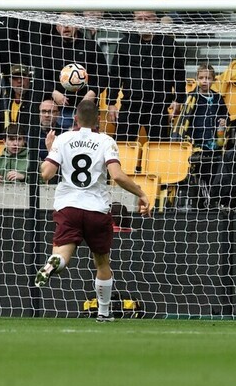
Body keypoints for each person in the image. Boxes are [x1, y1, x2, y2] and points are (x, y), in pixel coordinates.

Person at [35, 100, 151, 323]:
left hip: (68, 207)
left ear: (75, 119)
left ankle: (53, 263)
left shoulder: (63, 139)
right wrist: (141, 193)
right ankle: (104, 313)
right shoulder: (106, 141)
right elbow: (117, 176)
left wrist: (51, 151)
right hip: (96, 209)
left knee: (62, 254)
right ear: (98, 119)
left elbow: (46, 174)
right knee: (102, 262)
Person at [107, 10, 185, 142]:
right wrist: (111, 102)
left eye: (147, 18)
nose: (143, 23)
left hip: (158, 106)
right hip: (130, 105)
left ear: (155, 19)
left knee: (159, 148)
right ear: (134, 20)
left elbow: (178, 74)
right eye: (139, 19)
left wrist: (179, 99)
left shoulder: (169, 44)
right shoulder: (125, 44)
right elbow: (115, 75)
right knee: (121, 145)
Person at [172, 63, 228, 208]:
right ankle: (201, 203)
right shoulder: (192, 97)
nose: (204, 81)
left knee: (213, 173)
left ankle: (212, 200)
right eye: (201, 78)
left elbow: (225, 115)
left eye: (208, 78)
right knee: (199, 175)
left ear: (214, 80)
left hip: (214, 144)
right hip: (197, 144)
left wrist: (224, 121)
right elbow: (185, 119)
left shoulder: (218, 98)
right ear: (197, 79)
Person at [44, 13, 110, 130]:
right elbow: (42, 76)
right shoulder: (50, 48)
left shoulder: (91, 46)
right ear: (57, 28)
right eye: (62, 24)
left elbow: (103, 75)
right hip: (60, 109)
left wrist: (92, 92)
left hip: (87, 109)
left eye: (70, 23)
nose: (66, 26)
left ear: (78, 25)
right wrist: (53, 92)